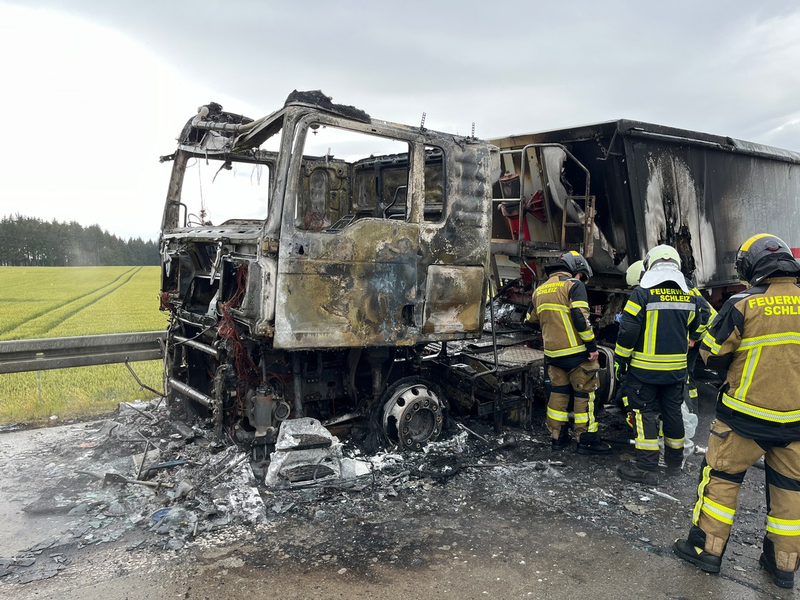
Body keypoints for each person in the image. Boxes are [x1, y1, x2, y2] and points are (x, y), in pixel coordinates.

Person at [673, 233, 800, 589]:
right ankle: (783, 566)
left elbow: (711, 354)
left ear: (753, 266)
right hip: (795, 422)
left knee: (721, 483)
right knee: (790, 493)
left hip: (744, 418)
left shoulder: (743, 304)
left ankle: (706, 552)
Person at [614, 244, 708, 484]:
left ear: (650, 264)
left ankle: (646, 468)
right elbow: (701, 324)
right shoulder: (689, 293)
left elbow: (628, 331)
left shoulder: (642, 293)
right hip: (676, 372)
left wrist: (621, 361)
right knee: (673, 414)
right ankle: (674, 465)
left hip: (644, 372)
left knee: (643, 413)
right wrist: (692, 339)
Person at [526, 251, 611, 455]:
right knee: (585, 395)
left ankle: (558, 438)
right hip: (578, 355)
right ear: (577, 270)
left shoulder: (540, 289)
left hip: (554, 355)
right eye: (581, 275)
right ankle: (586, 441)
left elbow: (529, 319)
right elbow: (580, 318)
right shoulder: (574, 285)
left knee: (558, 395)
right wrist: (591, 348)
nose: (581, 278)